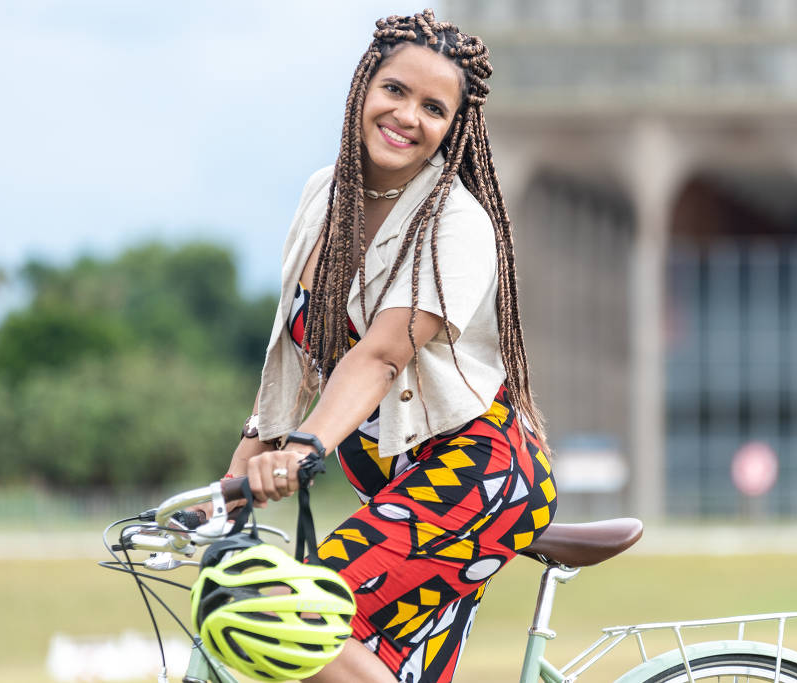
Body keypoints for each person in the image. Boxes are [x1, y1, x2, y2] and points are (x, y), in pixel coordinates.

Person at [219, 10, 556, 683]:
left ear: (454, 126)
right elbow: (287, 368)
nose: (408, 115)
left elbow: (378, 355)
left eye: (434, 107)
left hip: (478, 473)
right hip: (400, 488)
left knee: (291, 615)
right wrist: (225, 496)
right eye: (396, 90)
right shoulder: (324, 198)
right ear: (363, 86)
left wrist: (307, 448)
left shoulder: (459, 224)